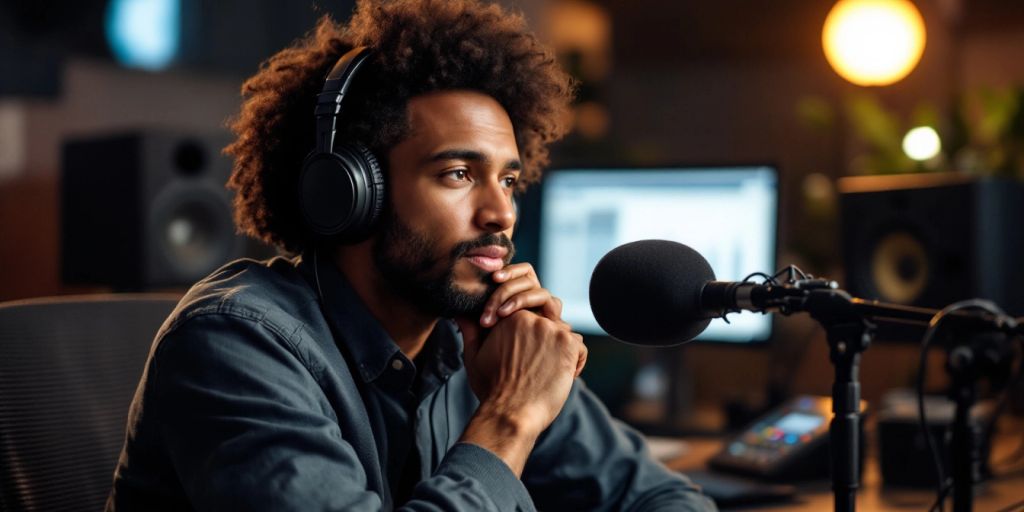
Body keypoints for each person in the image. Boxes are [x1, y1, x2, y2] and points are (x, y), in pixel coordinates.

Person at [107, 0, 716, 510]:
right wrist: (509, 418)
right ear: (349, 191)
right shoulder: (233, 342)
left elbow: (665, 499)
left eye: (507, 180)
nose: (500, 213)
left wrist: (517, 397)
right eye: (457, 173)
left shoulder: (483, 337)